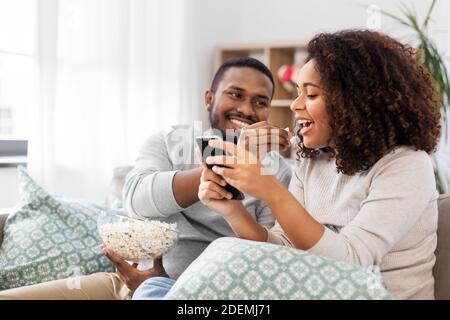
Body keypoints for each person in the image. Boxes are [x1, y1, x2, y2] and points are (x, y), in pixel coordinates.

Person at [137, 30, 441, 300]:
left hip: (374, 294)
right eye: (297, 93)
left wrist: (270, 190)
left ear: (355, 102)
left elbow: (353, 262)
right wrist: (232, 210)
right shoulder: (315, 160)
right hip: (316, 290)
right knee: (155, 290)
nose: (295, 106)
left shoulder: (407, 164)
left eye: (310, 95)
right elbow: (280, 245)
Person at [0, 57, 292, 300]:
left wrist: (244, 163)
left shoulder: (276, 172)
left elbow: (264, 254)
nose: (246, 109)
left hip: (216, 294)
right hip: (135, 282)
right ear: (209, 98)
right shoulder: (167, 142)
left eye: (260, 102)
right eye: (236, 94)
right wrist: (217, 170)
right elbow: (137, 202)